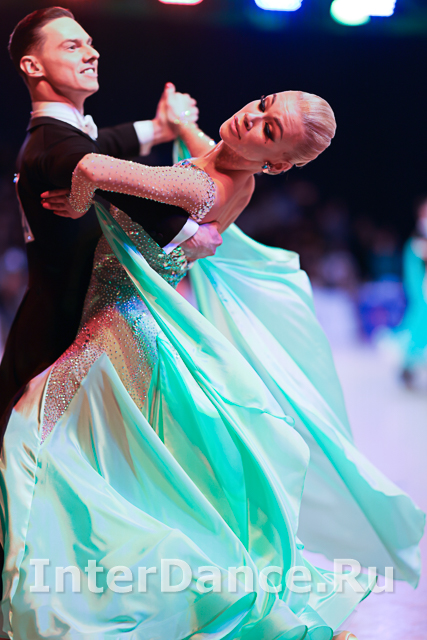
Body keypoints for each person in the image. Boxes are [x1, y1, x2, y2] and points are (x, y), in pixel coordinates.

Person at [0, 90, 424, 640]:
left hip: (114, 330)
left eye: (269, 130)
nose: (252, 117)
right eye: (264, 104)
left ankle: (72, 600)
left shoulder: (199, 186)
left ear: (276, 165)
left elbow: (92, 169)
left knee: (32, 440)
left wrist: (78, 202)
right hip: (138, 327)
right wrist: (180, 126)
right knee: (118, 473)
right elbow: (208, 148)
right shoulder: (237, 175)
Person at [0, 7, 222, 429]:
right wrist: (188, 232)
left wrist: (159, 127)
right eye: (72, 46)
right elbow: (109, 176)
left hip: (69, 331)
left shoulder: (57, 137)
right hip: (59, 345)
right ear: (32, 66)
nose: (92, 53)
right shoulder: (56, 148)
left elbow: (103, 144)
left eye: (90, 43)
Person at [397, 196, 427, 386]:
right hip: (418, 282)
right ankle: (408, 363)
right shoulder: (416, 240)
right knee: (419, 314)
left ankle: (410, 363)